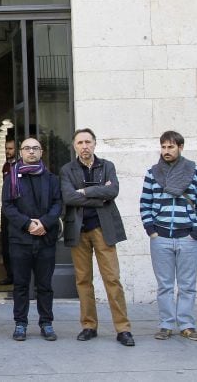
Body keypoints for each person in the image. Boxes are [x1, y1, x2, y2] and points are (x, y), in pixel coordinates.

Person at [60, 128, 135, 346]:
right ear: (74, 145)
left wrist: (84, 192)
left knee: (112, 279)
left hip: (103, 228)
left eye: (88, 142)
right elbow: (69, 197)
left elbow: (113, 192)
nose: (84, 146)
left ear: (95, 144)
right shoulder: (67, 170)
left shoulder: (107, 166)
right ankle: (88, 325)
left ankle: (123, 328)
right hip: (79, 230)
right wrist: (98, 194)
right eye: (80, 142)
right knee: (83, 280)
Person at [140, 131, 197, 341]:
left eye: (170, 147)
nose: (166, 151)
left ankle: (187, 325)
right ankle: (166, 324)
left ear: (180, 147)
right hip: (160, 236)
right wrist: (151, 230)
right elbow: (145, 203)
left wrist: (196, 231)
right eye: (163, 147)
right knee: (165, 285)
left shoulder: (195, 172)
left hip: (187, 236)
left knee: (187, 285)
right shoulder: (152, 173)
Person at [2, 137, 62, 341]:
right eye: (27, 148)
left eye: (35, 148)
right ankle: (20, 323)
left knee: (45, 285)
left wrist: (44, 223)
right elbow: (7, 206)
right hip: (20, 240)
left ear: (41, 152)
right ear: (20, 152)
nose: (31, 152)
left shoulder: (52, 179)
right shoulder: (11, 177)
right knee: (20, 284)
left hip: (45, 239)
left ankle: (46, 322)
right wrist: (28, 224)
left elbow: (57, 204)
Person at [0, 138, 16, 286]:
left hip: (16, 209)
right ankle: (9, 274)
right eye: (6, 148)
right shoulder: (5, 166)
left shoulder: (20, 166)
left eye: (10, 148)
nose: (7, 151)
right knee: (5, 242)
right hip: (5, 208)